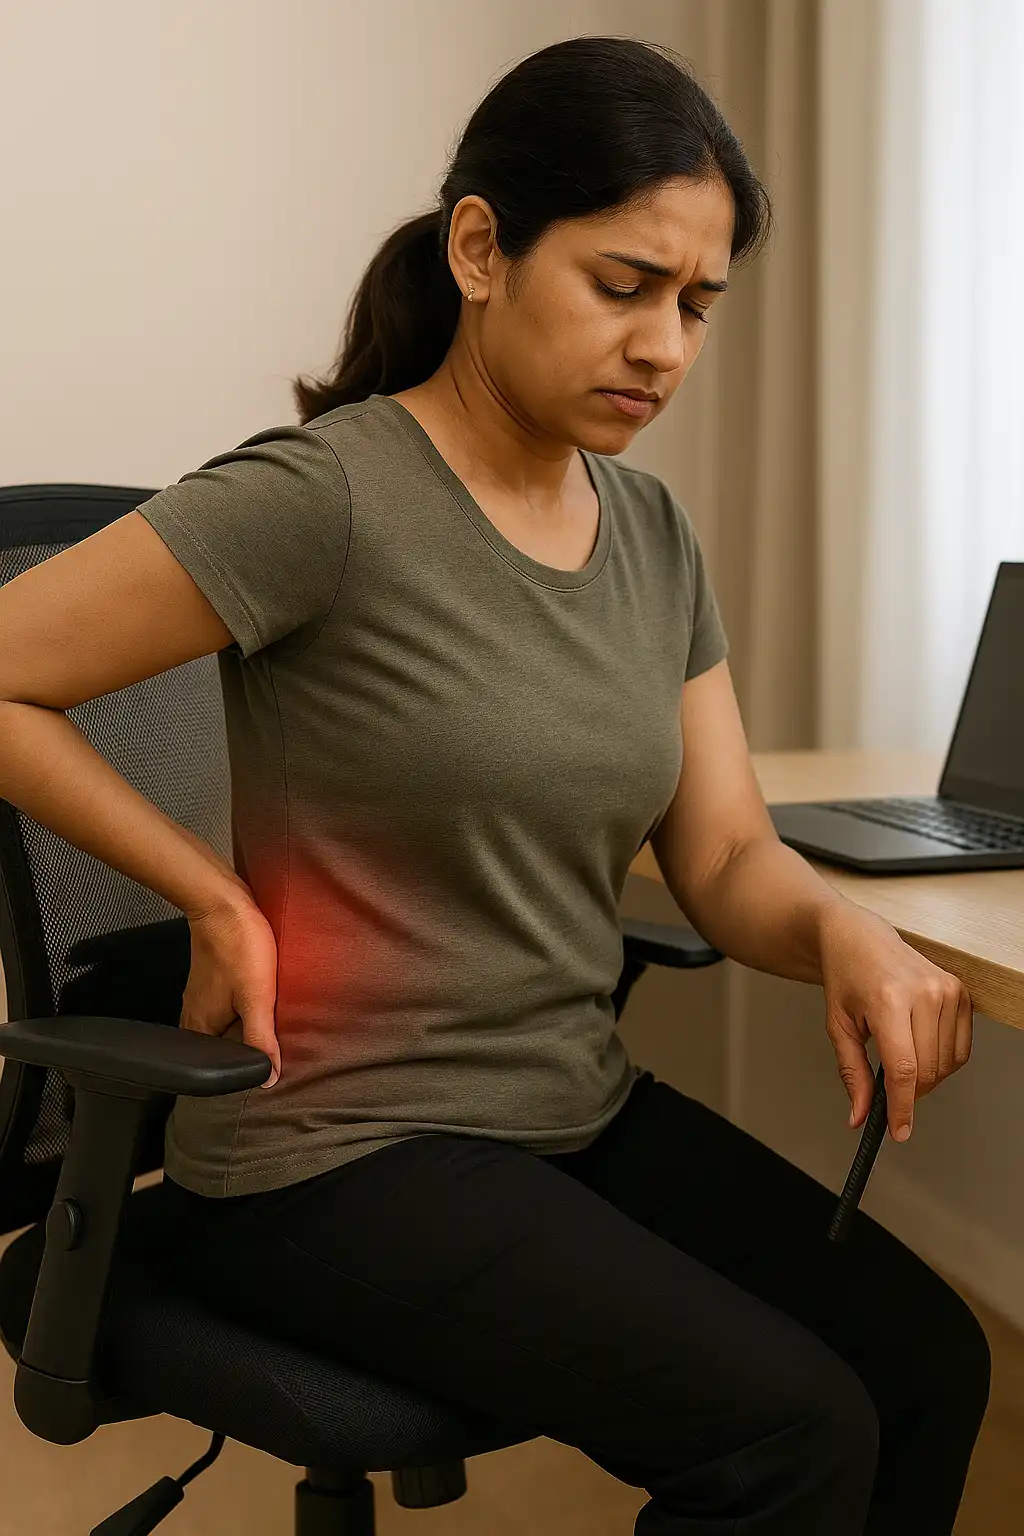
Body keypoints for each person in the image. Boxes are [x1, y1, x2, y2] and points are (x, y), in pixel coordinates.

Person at [0, 34, 990, 1535]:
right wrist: (207, 893)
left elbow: (723, 858)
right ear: (482, 248)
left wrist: (849, 933)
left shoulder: (652, 536)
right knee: (794, 1438)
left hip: (563, 1109)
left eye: (700, 304)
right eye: (624, 285)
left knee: (927, 1366)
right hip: (336, 1148)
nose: (667, 345)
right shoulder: (329, 498)